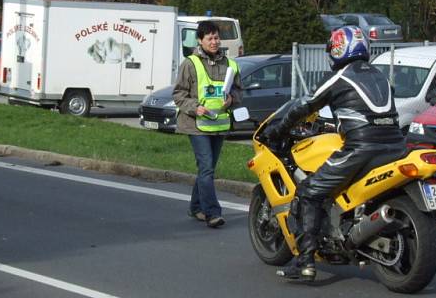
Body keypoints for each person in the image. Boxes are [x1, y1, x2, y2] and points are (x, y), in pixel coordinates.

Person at [263, 26, 405, 280]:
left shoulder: (341, 77)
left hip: (361, 148)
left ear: (339, 49)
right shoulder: (380, 76)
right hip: (396, 146)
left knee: (309, 192)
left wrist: (279, 130)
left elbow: (306, 105)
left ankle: (304, 261)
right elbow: (365, 113)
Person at [173, 20, 242, 228]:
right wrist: (195, 107)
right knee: (206, 169)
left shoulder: (230, 64)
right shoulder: (190, 63)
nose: (214, 41)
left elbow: (239, 91)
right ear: (200, 40)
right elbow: (178, 95)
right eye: (210, 38)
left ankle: (196, 207)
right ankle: (212, 212)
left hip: (219, 125)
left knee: (207, 168)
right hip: (196, 125)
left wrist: (232, 99)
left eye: (216, 37)